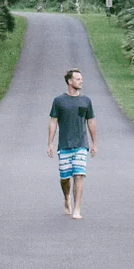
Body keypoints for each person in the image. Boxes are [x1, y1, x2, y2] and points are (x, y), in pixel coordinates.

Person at [47, 68, 96, 219]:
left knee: (79, 175)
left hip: (81, 144)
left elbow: (91, 121)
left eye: (81, 79)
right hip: (64, 145)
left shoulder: (86, 101)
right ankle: (67, 197)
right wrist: (50, 143)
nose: (81, 81)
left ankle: (77, 209)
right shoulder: (59, 101)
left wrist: (94, 143)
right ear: (70, 81)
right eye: (78, 79)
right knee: (65, 178)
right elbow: (53, 122)